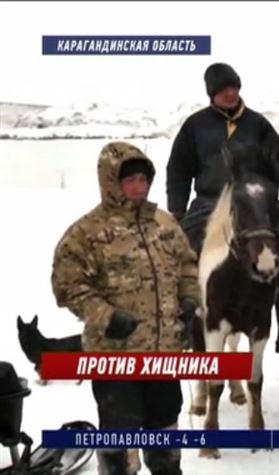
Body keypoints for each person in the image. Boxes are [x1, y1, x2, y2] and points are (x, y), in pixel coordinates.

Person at [51, 142, 200, 475]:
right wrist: (106, 317)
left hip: (163, 354)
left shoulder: (164, 224)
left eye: (143, 179)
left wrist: (190, 299)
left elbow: (188, 266)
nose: (138, 187)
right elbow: (67, 286)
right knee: (120, 438)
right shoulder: (86, 233)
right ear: (110, 181)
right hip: (115, 357)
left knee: (164, 431)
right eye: (129, 179)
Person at [166, 62, 279, 354]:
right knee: (178, 257)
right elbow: (178, 169)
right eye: (223, 89)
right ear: (212, 93)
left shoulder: (257, 124)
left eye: (234, 87)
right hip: (210, 202)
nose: (230, 93)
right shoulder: (195, 126)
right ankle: (184, 329)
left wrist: (263, 184)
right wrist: (177, 210)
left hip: (251, 203)